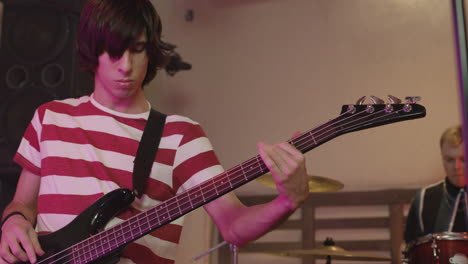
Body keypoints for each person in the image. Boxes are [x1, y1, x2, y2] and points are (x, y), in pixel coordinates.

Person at [0, 0, 310, 263]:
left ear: (151, 52)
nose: (126, 65)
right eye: (114, 51)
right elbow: (23, 203)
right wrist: (13, 222)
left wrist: (288, 201)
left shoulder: (181, 135)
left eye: (137, 50)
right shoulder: (52, 117)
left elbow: (233, 226)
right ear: (92, 50)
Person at [404, 124, 466, 244]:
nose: (456, 167)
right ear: (442, 158)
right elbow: (410, 249)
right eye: (449, 160)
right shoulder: (424, 198)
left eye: (463, 159)